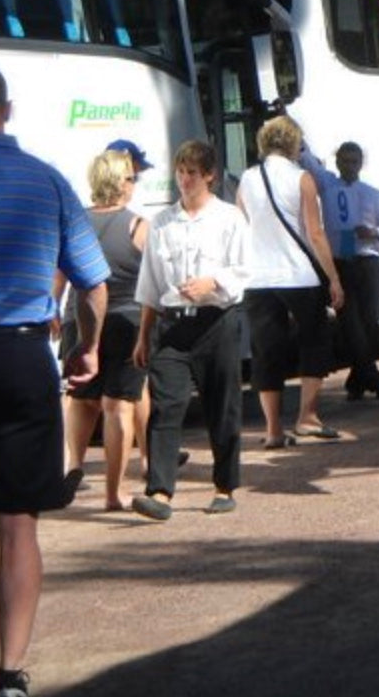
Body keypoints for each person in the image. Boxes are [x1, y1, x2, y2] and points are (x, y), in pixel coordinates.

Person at [0, 64, 109, 697]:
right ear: (7, 110)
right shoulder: (47, 182)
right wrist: (87, 349)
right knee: (18, 523)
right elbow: (95, 285)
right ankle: (11, 673)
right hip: (24, 358)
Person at [130, 141, 249, 520]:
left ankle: (224, 485)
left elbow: (244, 271)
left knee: (223, 406)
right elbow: (150, 283)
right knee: (167, 405)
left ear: (210, 176)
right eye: (180, 172)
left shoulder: (229, 218)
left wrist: (211, 282)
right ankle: (160, 492)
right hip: (173, 325)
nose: (184, 179)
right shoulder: (163, 222)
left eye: (192, 173)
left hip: (217, 322)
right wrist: (143, 335)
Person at [237, 115, 344, 448]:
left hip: (258, 277)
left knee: (266, 351)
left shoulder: (247, 178)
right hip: (299, 275)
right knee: (314, 341)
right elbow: (315, 233)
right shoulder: (302, 179)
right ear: (292, 143)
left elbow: (242, 226)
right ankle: (308, 417)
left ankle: (272, 430)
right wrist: (334, 278)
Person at [63, 148, 149, 511]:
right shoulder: (138, 225)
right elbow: (153, 280)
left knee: (81, 400)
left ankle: (74, 467)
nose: (134, 184)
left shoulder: (74, 221)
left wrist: (52, 308)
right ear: (119, 182)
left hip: (76, 317)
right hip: (125, 321)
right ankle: (113, 493)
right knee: (119, 408)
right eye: (130, 177)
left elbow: (58, 272)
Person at [301, 141, 379, 400]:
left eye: (355, 161)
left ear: (361, 164)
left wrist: (374, 232)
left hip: (368, 262)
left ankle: (358, 380)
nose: (350, 166)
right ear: (338, 162)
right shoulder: (328, 185)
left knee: (368, 324)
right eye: (345, 161)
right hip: (341, 263)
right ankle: (373, 378)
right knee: (350, 324)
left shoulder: (373, 194)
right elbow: (306, 157)